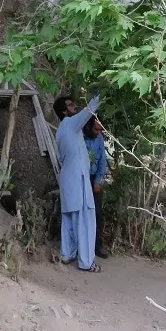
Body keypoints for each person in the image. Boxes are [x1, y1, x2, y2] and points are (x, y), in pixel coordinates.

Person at [53, 93, 103, 273]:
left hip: (68, 180)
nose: (75, 107)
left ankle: (67, 254)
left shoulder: (60, 131)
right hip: (77, 179)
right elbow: (89, 111)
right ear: (64, 111)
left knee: (69, 219)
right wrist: (100, 93)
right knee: (85, 221)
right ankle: (86, 262)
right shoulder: (70, 123)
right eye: (71, 105)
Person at [84, 116, 110, 260]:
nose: (99, 132)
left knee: (97, 214)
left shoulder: (99, 137)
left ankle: (97, 245)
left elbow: (102, 160)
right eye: (96, 129)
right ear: (88, 127)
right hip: (80, 178)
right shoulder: (79, 137)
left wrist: (98, 181)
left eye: (101, 129)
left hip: (94, 178)